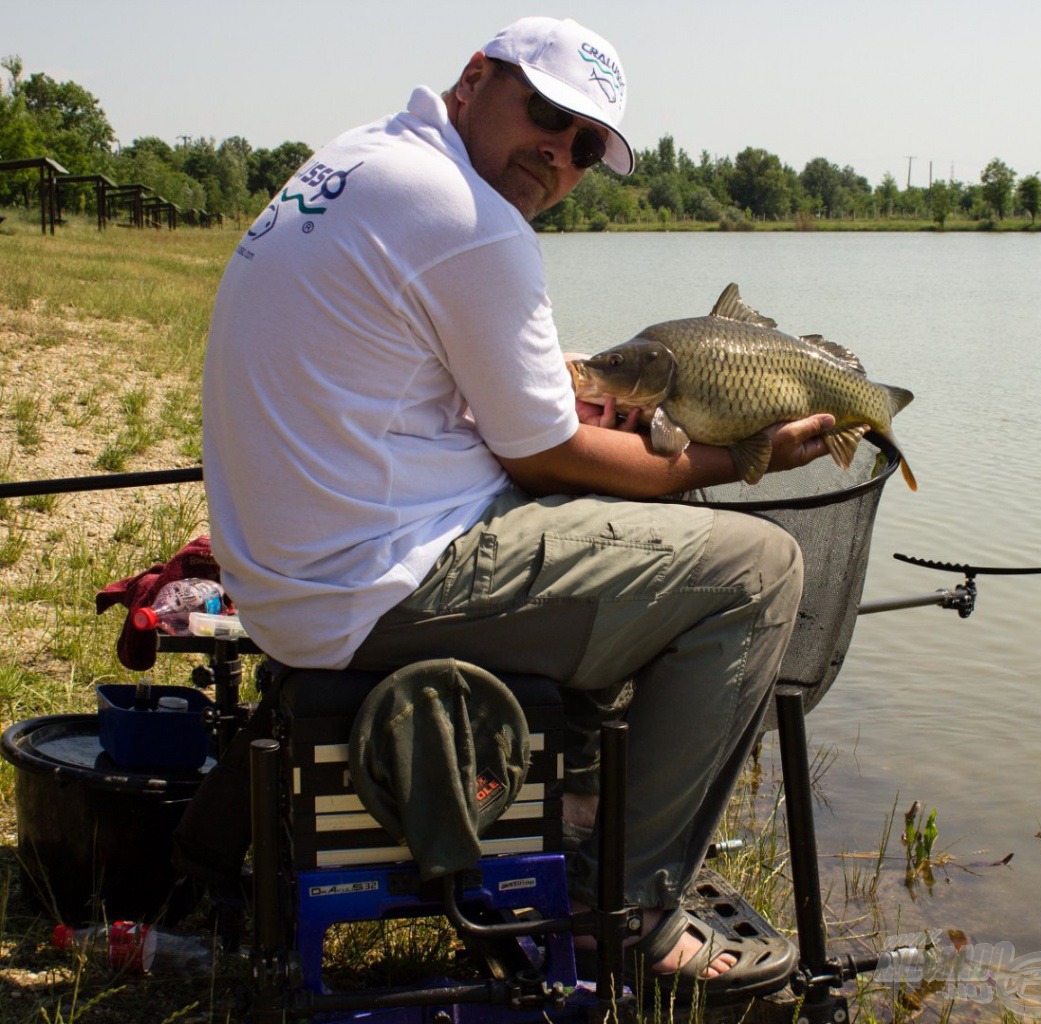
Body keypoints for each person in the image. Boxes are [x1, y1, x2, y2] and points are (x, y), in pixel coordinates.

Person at [184, 16, 838, 988]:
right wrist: (739, 461)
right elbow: (543, 458)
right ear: (475, 78)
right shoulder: (469, 219)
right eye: (547, 114)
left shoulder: (364, 161)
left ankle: (567, 821)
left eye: (585, 148)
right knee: (755, 570)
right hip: (368, 584)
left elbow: (478, 400)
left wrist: (596, 423)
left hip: (297, 572)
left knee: (644, 545)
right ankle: (629, 908)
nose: (559, 157)